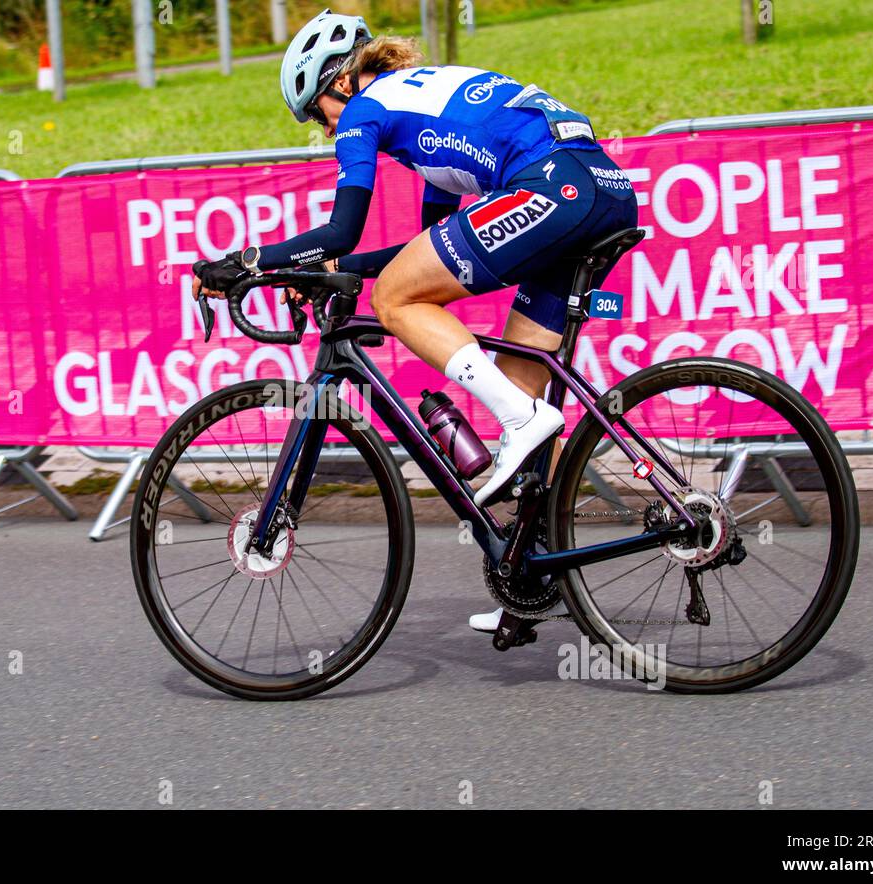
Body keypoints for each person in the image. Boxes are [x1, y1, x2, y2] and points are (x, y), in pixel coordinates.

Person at [192, 10, 638, 635]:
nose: (327, 130)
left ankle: (525, 421)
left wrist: (247, 263)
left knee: (397, 303)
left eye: (318, 113)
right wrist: (319, 270)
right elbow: (422, 247)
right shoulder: (424, 107)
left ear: (337, 83)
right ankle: (537, 577)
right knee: (519, 373)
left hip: (553, 187)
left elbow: (345, 232)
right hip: (595, 187)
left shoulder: (363, 110)